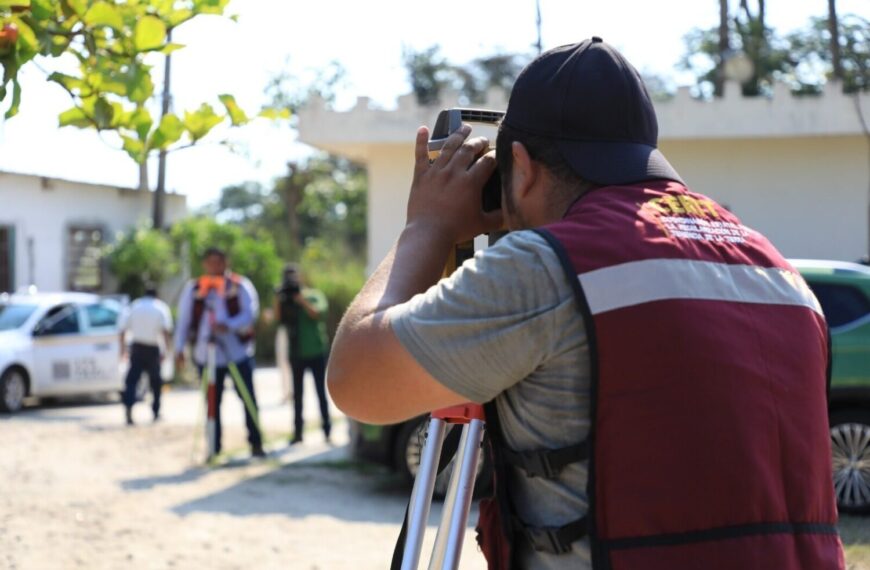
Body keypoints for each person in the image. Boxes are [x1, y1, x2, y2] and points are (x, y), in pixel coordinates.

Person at [327, 38, 845, 569]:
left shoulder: (548, 267)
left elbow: (355, 380)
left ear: (521, 167)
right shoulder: (779, 273)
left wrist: (428, 226)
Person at [174, 247, 265, 458]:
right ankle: (213, 447)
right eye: (210, 262)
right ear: (205, 264)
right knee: (212, 402)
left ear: (225, 262)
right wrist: (179, 348)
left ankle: (256, 443)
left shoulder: (239, 284)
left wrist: (229, 325)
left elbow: (250, 313)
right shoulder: (194, 288)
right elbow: (184, 320)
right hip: (206, 355)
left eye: (219, 262)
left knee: (248, 397)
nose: (214, 266)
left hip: (237, 352)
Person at [275, 263, 332, 444]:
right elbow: (278, 320)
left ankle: (327, 431)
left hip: (315, 351)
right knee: (297, 395)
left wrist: (301, 300)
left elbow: (317, 314)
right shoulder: (285, 299)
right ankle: (298, 434)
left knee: (320, 393)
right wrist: (278, 300)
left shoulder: (313, 295)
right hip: (296, 352)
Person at [119, 285, 173, 425]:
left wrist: (122, 349)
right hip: (152, 348)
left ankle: (129, 411)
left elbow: (122, 328)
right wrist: (167, 350)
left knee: (131, 381)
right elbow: (166, 331)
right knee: (155, 382)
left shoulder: (135, 306)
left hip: (137, 347)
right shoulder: (160, 307)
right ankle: (155, 412)